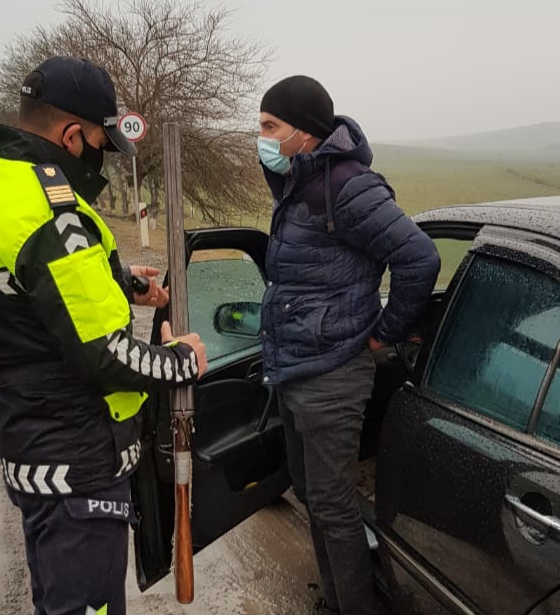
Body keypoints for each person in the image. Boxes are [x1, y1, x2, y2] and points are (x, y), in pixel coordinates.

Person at [0, 56, 207, 615]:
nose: (101, 159)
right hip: (78, 456)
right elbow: (105, 356)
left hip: (29, 437)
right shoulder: (46, 207)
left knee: (55, 601)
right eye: (99, 144)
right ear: (70, 135)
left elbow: (33, 287)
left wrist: (122, 281)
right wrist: (180, 360)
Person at [257, 76, 440, 615]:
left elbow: (419, 258)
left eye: (270, 126)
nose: (261, 137)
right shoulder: (298, 180)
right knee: (311, 494)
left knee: (333, 507)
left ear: (306, 133)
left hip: (334, 372)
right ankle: (336, 601)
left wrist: (383, 332)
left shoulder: (350, 185)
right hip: (297, 368)